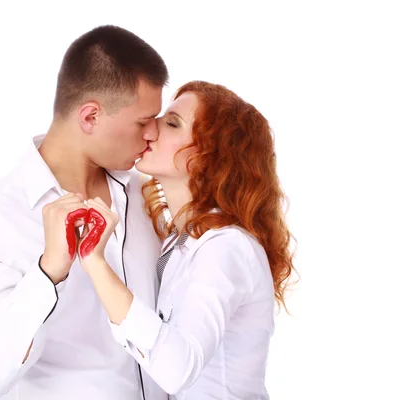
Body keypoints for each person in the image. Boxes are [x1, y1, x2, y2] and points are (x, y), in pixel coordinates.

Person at [0, 25, 170, 400]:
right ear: (90, 117)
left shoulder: (148, 196)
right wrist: (48, 273)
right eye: (143, 122)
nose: (153, 134)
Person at [73, 80, 296, 399]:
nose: (151, 128)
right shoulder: (178, 241)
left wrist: (95, 262)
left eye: (172, 123)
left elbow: (177, 370)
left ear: (210, 156)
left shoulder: (225, 247)